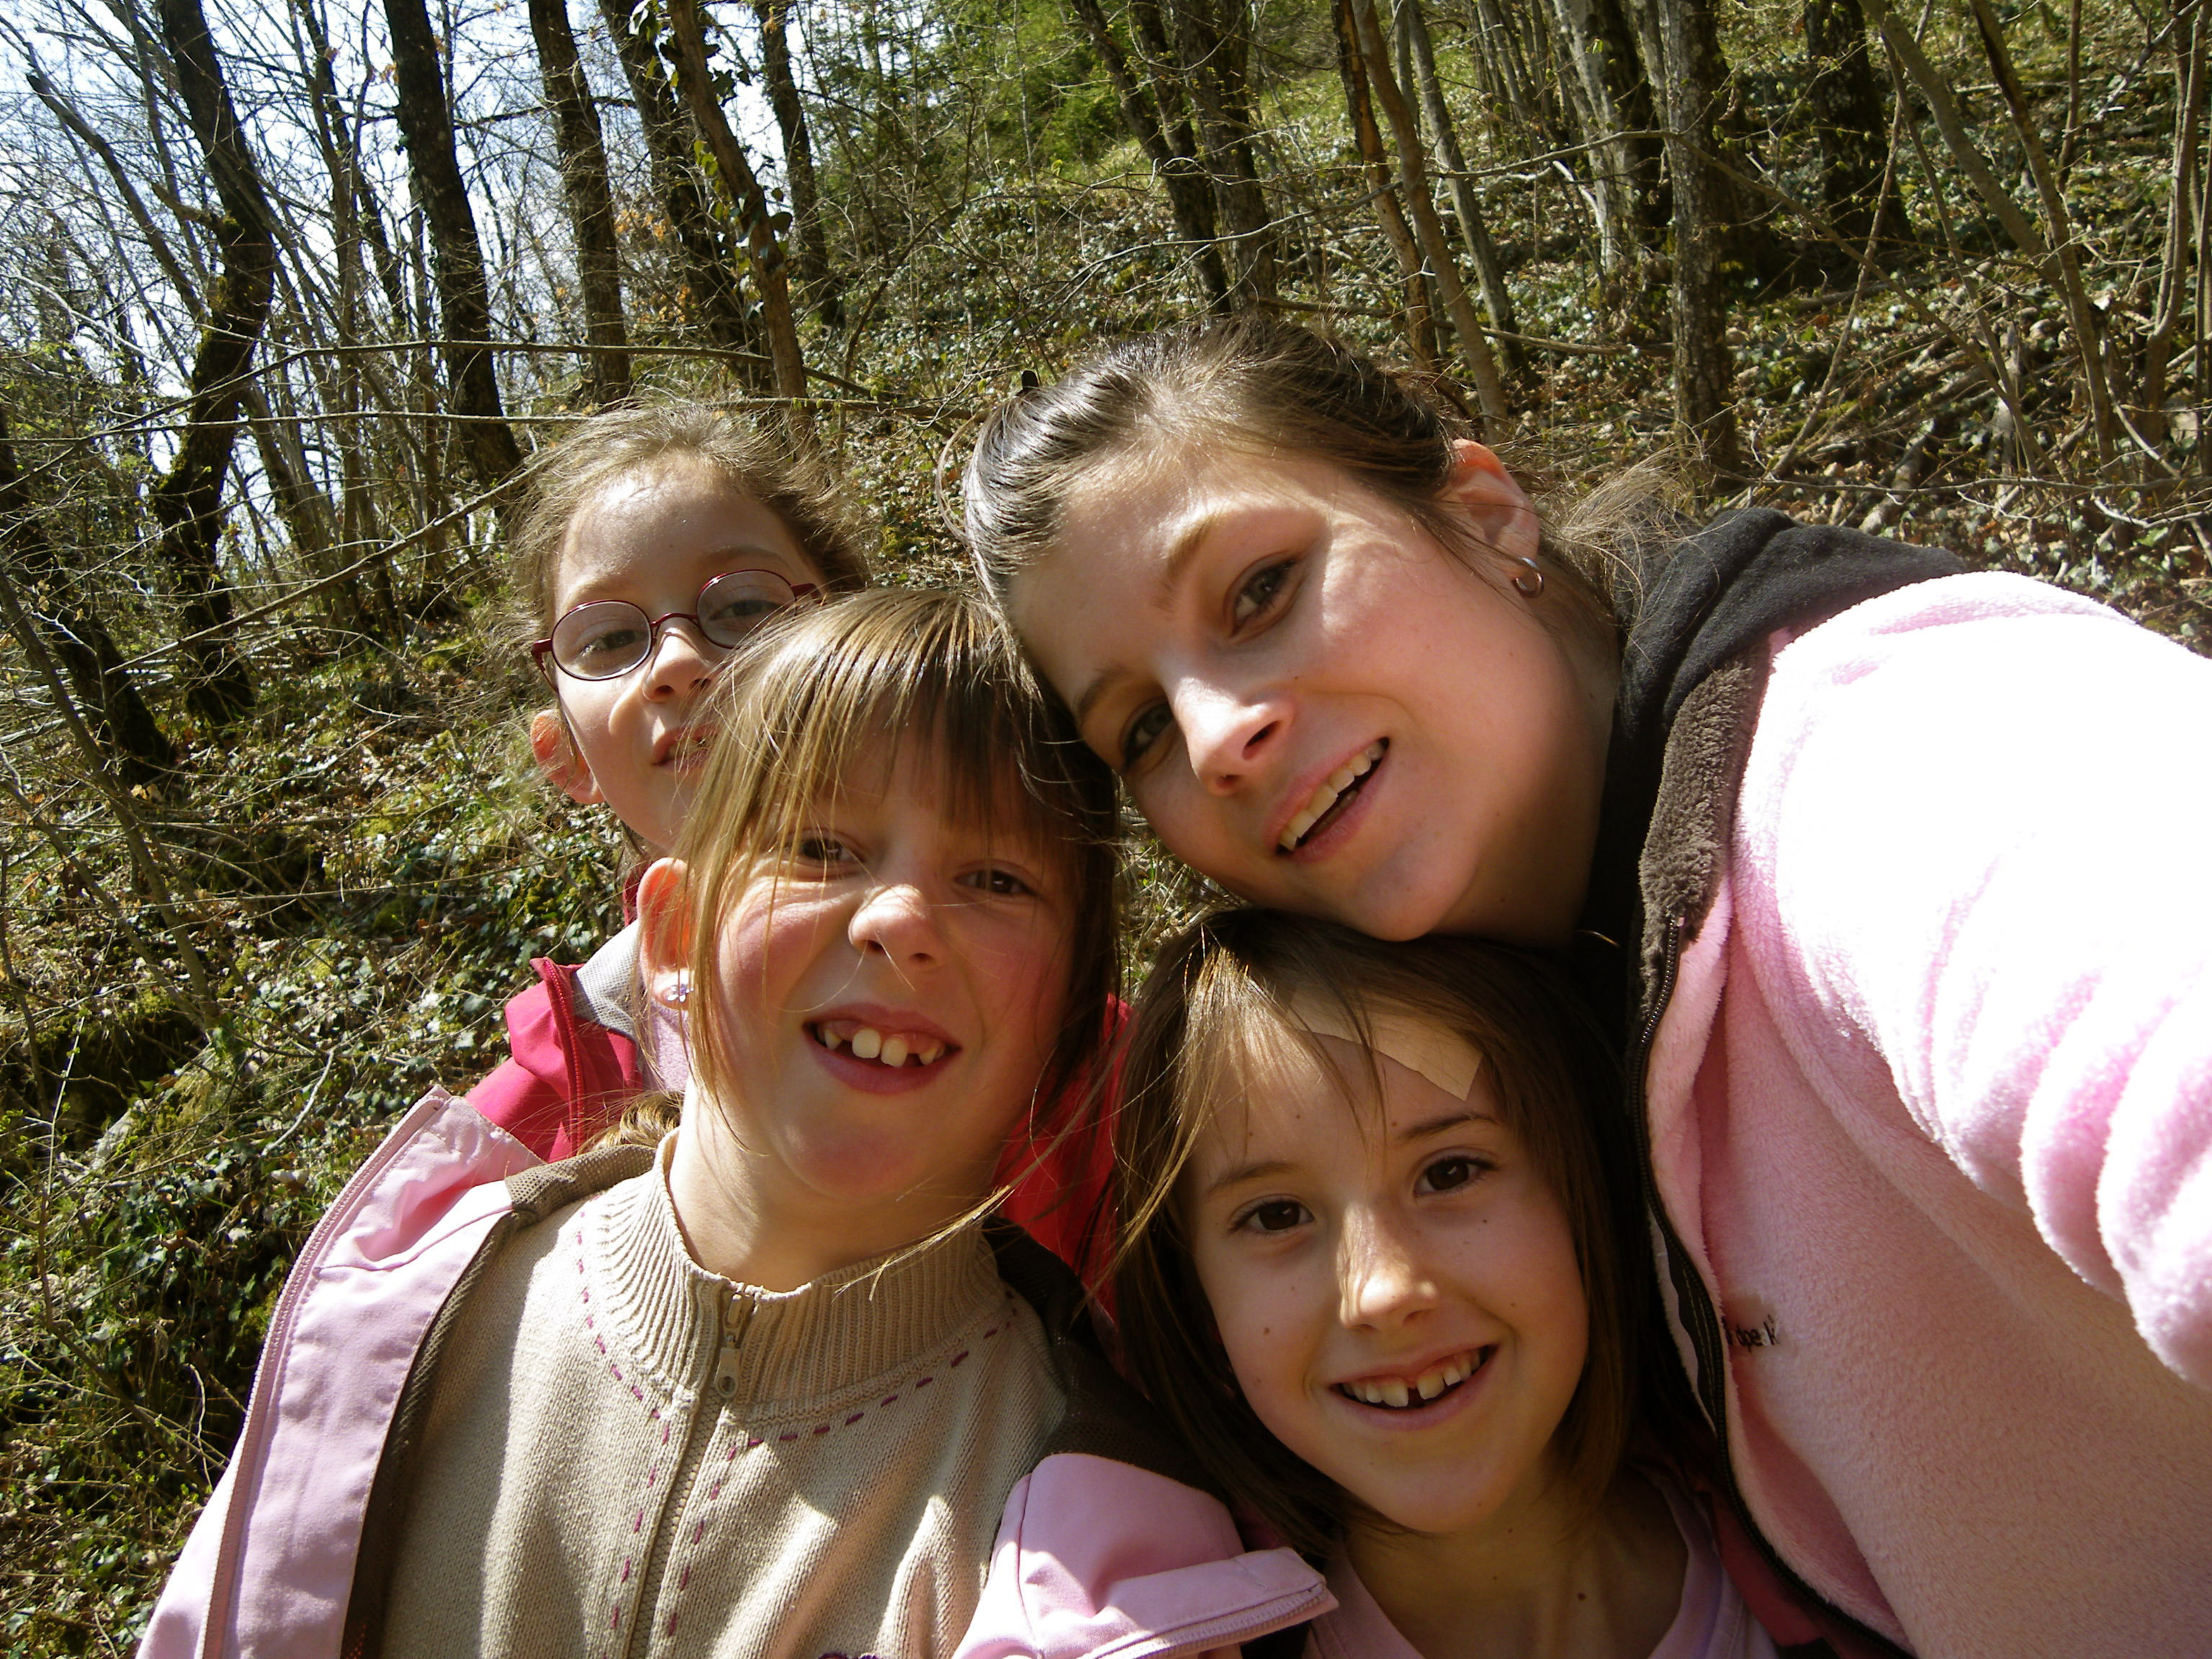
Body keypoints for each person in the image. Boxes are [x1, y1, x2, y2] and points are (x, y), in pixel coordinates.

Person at [963, 315, 2212, 1658]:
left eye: (1259, 588)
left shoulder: (1886, 754)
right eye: (1140, 726)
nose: (1215, 736)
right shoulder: (1525, 1020)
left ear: (1487, 511)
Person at [139, 591, 1330, 1659]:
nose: (902, 916)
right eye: (820, 847)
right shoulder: (403, 1328)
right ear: (671, 937)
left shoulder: (1096, 1528)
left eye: (1000, 880)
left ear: (1071, 1022)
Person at [1112, 908, 1780, 1659]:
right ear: (1199, 1308)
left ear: (1585, 1187)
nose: (1382, 1292)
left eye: (1450, 1172)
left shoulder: (1829, 1561)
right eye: (1276, 1216)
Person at [467, 402, 869, 1163]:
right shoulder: (522, 1133)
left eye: (746, 605)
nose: (681, 660)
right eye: (611, 638)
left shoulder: (1033, 997)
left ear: (862, 641)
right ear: (564, 755)